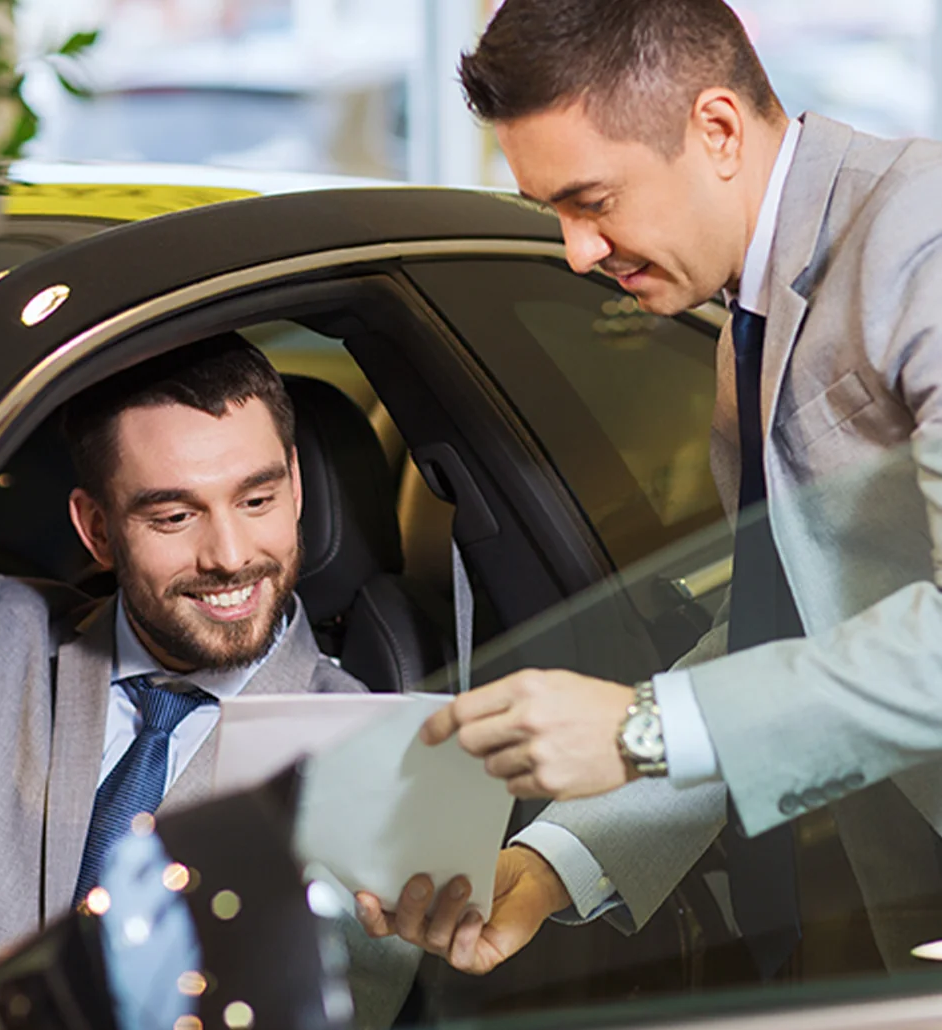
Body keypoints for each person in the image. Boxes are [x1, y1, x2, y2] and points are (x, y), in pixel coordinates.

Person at [357, 0, 942, 981]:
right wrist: (544, 869)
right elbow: (779, 630)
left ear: (714, 129)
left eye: (593, 201)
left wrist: (637, 733)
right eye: (555, 211)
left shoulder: (921, 243)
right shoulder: (738, 335)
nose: (577, 251)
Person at [0, 333, 417, 1026]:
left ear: (295, 488)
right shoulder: (1, 632)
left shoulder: (371, 756)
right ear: (97, 529)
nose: (230, 557)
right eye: (174, 517)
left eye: (257, 500)